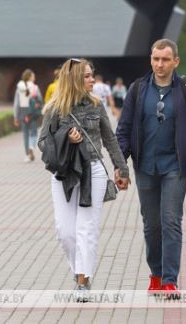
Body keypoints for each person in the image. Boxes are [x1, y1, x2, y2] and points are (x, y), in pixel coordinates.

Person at [116, 39, 186, 300]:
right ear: (151, 59)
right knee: (151, 225)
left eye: (165, 59)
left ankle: (169, 280)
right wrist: (120, 166)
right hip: (144, 166)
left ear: (176, 61)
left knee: (170, 221)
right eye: (156, 59)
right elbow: (123, 130)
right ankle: (155, 275)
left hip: (175, 167)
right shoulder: (137, 90)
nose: (160, 64)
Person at [38, 58, 131, 301]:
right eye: (87, 76)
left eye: (92, 75)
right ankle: (79, 269)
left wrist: (122, 169)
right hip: (64, 173)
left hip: (93, 172)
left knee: (86, 229)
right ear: (75, 80)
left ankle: (82, 279)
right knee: (65, 232)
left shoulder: (96, 105)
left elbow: (110, 139)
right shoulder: (54, 109)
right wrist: (65, 139)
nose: (93, 80)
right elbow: (42, 143)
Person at [13, 69, 43, 162]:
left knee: (25, 134)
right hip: (32, 112)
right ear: (30, 77)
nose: (34, 78)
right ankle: (31, 147)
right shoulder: (35, 87)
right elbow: (40, 100)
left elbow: (16, 103)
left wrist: (16, 117)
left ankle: (27, 154)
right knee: (33, 132)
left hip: (23, 112)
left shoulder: (19, 87)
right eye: (33, 76)